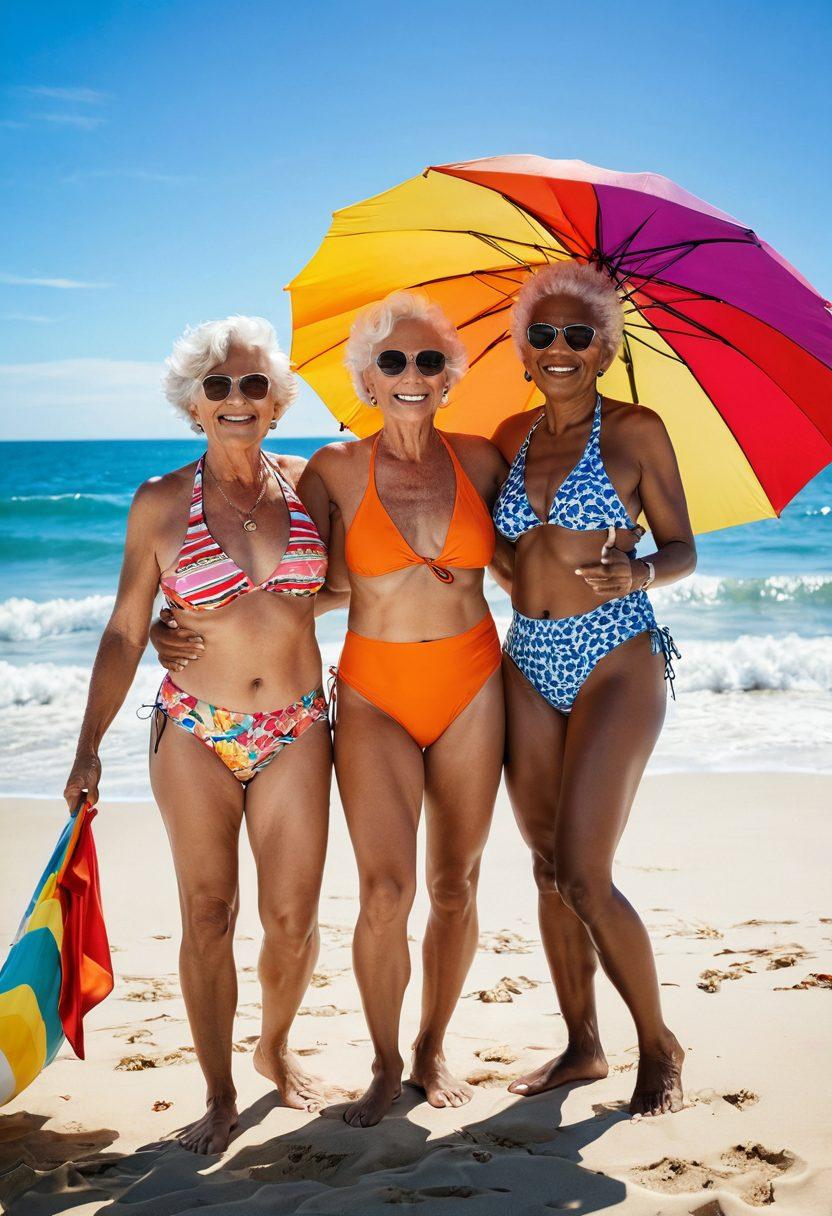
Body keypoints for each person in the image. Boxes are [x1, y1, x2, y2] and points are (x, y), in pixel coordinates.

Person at [64, 316, 336, 1154]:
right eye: (218, 385)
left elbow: (354, 584)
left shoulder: (312, 485)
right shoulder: (158, 501)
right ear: (193, 403)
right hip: (193, 726)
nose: (237, 398)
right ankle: (219, 1092)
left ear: (278, 400)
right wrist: (87, 746)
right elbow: (124, 627)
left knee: (292, 919)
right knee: (209, 913)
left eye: (255, 383)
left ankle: (274, 1048)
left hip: (296, 725)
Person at [492, 261, 695, 1117]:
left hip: (615, 653)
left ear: (605, 351)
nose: (560, 347)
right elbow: (493, 545)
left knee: (583, 872)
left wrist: (639, 572)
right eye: (543, 334)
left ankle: (660, 1043)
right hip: (528, 656)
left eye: (580, 334)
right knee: (545, 868)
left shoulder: (638, 431)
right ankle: (583, 1046)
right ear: (524, 350)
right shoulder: (509, 436)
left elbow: (683, 547)